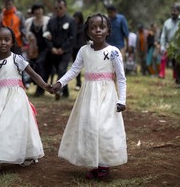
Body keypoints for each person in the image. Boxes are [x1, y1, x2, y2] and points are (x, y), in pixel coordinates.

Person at [51, 13, 127, 179]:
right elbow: (74, 70)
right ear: (87, 31)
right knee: (90, 127)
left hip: (107, 96)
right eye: (93, 27)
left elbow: (121, 78)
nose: (97, 30)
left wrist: (122, 99)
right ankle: (95, 162)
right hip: (88, 95)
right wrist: (59, 84)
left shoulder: (113, 52)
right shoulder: (84, 50)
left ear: (108, 30)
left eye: (102, 27)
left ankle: (105, 164)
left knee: (104, 128)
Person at [0, 26, 52, 179]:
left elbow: (34, 75)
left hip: (16, 100)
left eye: (6, 39)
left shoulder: (17, 59)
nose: (3, 42)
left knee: (16, 128)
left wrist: (45, 86)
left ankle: (27, 154)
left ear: (12, 42)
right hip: (0, 101)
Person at [44, 0, 76, 100]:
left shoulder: (71, 21)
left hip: (65, 51)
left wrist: (62, 49)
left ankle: (59, 90)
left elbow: (72, 37)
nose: (58, 10)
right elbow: (46, 35)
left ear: (65, 8)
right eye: (56, 8)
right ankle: (65, 92)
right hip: (53, 51)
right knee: (58, 70)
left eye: (60, 8)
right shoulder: (51, 20)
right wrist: (52, 48)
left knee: (62, 69)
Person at [160, 4, 180, 87]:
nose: (173, 12)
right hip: (171, 47)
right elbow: (163, 35)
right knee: (174, 64)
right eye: (172, 10)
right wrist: (163, 46)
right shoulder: (167, 23)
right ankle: (178, 80)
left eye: (175, 11)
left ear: (179, 12)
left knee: (179, 63)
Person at [25, 3, 50, 97]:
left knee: (39, 64)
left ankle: (40, 89)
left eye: (40, 9)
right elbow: (26, 34)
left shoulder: (48, 20)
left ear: (43, 10)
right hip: (33, 48)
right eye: (35, 9)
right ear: (33, 11)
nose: (38, 11)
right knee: (34, 66)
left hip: (45, 48)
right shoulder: (29, 21)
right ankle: (37, 85)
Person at [72, 11, 85, 91]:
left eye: (78, 18)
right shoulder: (72, 26)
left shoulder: (84, 27)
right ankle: (78, 83)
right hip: (74, 48)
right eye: (75, 18)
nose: (76, 19)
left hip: (82, 48)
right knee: (77, 66)